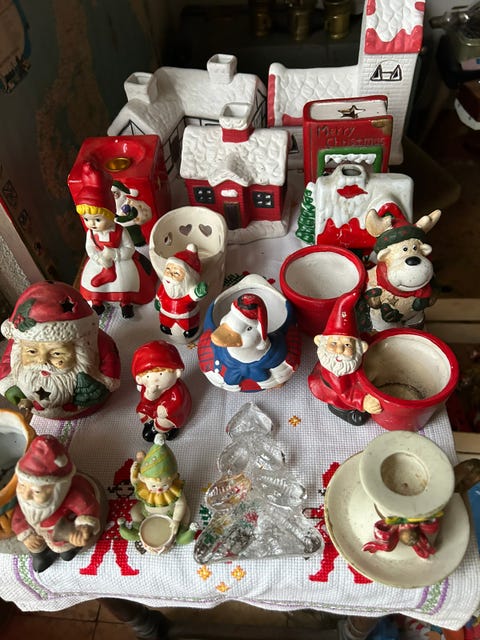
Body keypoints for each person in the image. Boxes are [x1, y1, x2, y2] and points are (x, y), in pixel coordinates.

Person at [0, 281, 120, 420]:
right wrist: (10, 387)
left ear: (81, 350)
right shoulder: (18, 346)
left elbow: (110, 368)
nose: (42, 361)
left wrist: (104, 385)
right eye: (32, 352)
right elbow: (5, 366)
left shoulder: (96, 343)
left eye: (57, 353)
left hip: (91, 409)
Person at [75, 161, 157, 318]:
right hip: (100, 261)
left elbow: (129, 248)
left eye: (97, 220)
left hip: (119, 260)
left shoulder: (120, 230)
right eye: (86, 219)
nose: (92, 224)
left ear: (110, 214)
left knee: (125, 281)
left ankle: (126, 302)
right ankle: (97, 301)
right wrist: (98, 258)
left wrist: (115, 254)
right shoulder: (91, 234)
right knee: (91, 279)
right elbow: (90, 248)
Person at [11, 434, 102, 573]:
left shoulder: (73, 496)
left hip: (63, 533)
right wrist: (26, 535)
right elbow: (18, 519)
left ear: (57, 489)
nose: (26, 495)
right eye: (22, 485)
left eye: (37, 491)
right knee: (36, 548)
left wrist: (83, 528)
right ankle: (41, 556)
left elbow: (88, 507)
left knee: (66, 552)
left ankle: (69, 550)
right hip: (38, 535)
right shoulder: (25, 503)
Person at [308, 290, 382, 425]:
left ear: (361, 347)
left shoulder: (352, 359)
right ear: (320, 342)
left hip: (356, 381)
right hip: (338, 394)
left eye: (347, 345)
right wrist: (363, 401)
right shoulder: (337, 372)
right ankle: (341, 410)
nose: (339, 350)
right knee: (356, 417)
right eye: (333, 344)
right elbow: (346, 392)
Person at [118, 434, 195, 550]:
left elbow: (180, 504)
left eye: (165, 485)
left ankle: (183, 531)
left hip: (171, 513)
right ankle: (136, 527)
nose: (159, 489)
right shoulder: (144, 485)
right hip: (148, 512)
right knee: (135, 511)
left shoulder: (174, 492)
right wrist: (132, 473)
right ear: (144, 479)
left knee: (185, 513)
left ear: (174, 478)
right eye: (153, 485)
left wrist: (176, 520)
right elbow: (135, 483)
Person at [131, 340, 192, 442]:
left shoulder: (176, 389)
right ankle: (150, 424)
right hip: (152, 408)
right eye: (148, 376)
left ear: (176, 373)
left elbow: (178, 403)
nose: (155, 379)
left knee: (164, 421)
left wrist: (166, 410)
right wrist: (149, 396)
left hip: (172, 413)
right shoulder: (147, 388)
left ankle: (160, 430)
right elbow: (145, 402)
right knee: (142, 411)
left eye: (161, 374)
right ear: (140, 379)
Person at [155, 243, 208, 341]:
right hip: (166, 311)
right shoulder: (165, 285)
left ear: (187, 278)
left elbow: (193, 295)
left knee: (188, 323)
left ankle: (191, 329)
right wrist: (158, 300)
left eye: (176, 273)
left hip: (186, 315)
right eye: (168, 269)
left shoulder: (187, 290)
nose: (170, 275)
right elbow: (160, 293)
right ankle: (166, 326)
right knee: (166, 320)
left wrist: (198, 292)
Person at [111, 180, 152, 247]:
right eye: (111, 193)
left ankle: (140, 244)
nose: (114, 195)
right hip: (121, 224)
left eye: (115, 192)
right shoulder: (112, 205)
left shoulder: (128, 201)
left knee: (136, 236)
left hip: (133, 223)